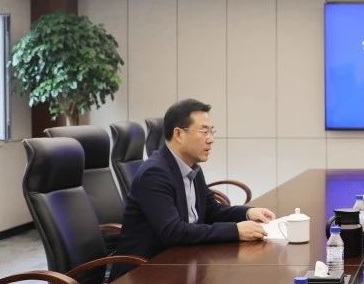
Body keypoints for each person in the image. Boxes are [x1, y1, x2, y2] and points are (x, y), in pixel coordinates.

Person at [115, 99, 275, 258]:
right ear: (178, 134)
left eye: (212, 131)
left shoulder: (192, 167)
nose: (211, 139)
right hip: (147, 266)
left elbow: (212, 211)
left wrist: (248, 213)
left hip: (184, 257)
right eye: (204, 132)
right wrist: (236, 231)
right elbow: (173, 232)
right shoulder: (154, 173)